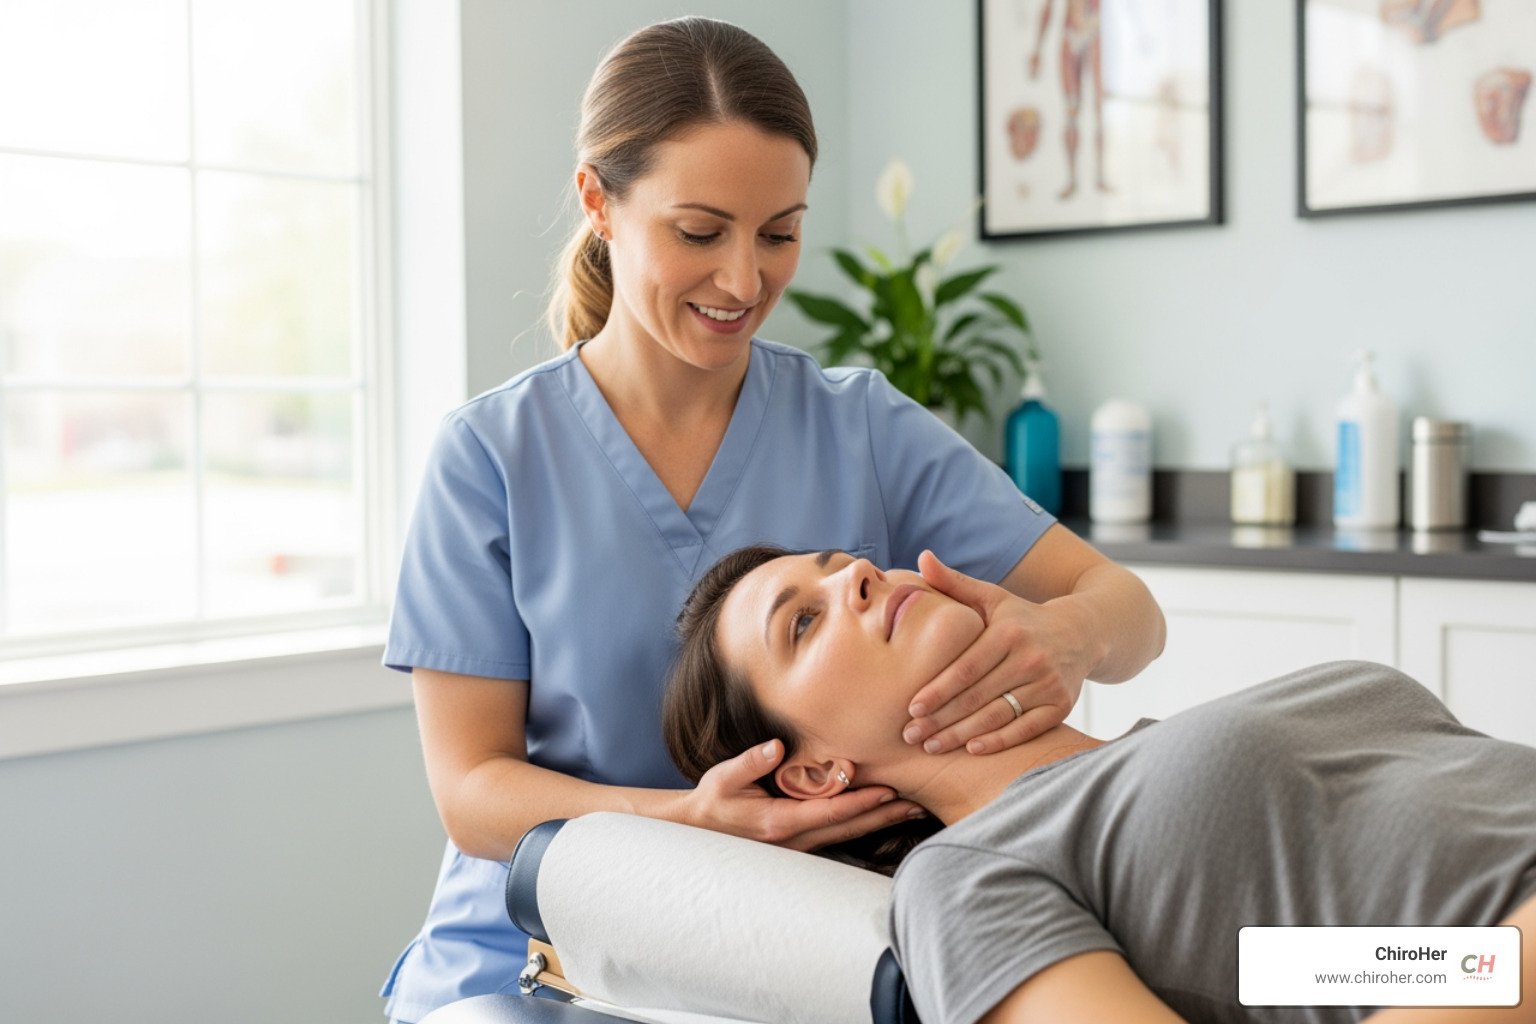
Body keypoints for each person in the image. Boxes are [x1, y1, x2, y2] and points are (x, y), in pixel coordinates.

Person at [381, 17, 1165, 1022]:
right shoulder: (492, 457)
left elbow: (1127, 610)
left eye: (780, 232)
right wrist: (693, 822)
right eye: (699, 232)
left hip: (803, 946)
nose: (746, 281)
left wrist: (1069, 636)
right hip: (538, 955)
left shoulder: (861, 427)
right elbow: (471, 792)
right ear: (600, 203)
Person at [663, 544, 1536, 1024]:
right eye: (804, 622)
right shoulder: (964, 878)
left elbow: (1302, 966)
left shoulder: (1151, 762)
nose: (856, 574)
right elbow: (1382, 969)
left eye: (838, 561)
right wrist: (1504, 962)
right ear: (816, 772)